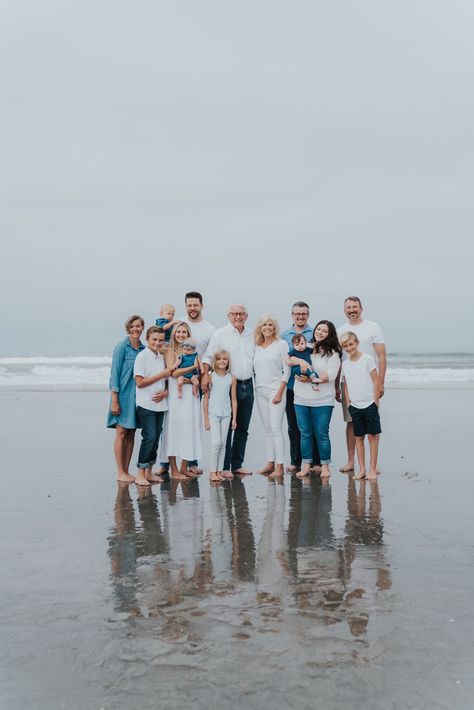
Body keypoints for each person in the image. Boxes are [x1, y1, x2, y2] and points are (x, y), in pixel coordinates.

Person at [156, 291, 216, 477]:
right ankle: (168, 466)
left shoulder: (209, 329)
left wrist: (203, 375)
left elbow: (208, 356)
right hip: (177, 390)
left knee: (190, 425)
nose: (192, 308)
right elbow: (170, 369)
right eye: (189, 305)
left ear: (201, 305)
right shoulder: (177, 326)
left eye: (195, 305)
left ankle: (187, 466)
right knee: (173, 426)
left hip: (193, 389)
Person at [203, 303, 255, 476]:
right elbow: (208, 356)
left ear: (246, 316)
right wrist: (205, 375)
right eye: (234, 314)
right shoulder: (220, 334)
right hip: (228, 386)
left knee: (242, 427)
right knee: (226, 427)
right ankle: (224, 468)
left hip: (249, 385)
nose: (237, 317)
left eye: (241, 314)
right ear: (228, 316)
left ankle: (237, 464)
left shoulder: (252, 335)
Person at [337, 297, 387, 473]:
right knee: (351, 422)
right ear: (344, 310)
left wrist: (381, 382)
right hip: (349, 384)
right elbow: (337, 359)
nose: (352, 310)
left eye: (354, 307)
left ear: (361, 308)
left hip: (369, 384)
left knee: (373, 425)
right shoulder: (340, 330)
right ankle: (352, 461)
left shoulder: (373, 327)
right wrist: (338, 386)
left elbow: (381, 355)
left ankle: (373, 464)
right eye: (348, 307)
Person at [292, 320, 341, 479]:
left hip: (323, 400)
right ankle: (306, 466)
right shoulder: (305, 346)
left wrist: (313, 379)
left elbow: (332, 375)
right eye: (318, 329)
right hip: (301, 398)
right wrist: (300, 361)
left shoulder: (332, 353)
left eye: (324, 331)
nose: (320, 332)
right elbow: (288, 358)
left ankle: (325, 466)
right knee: (305, 433)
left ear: (330, 334)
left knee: (321, 433)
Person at [281, 302, 321, 473]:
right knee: (293, 426)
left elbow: (320, 358)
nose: (300, 316)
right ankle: (296, 461)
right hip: (291, 387)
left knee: (313, 425)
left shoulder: (315, 334)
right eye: (297, 313)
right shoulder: (284, 335)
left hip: (310, 387)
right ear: (292, 315)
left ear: (308, 315)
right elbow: (283, 359)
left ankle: (316, 461)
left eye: (303, 314)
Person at [160, 322, 203, 480]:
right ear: (174, 334)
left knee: (189, 428)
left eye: (184, 332)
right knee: (174, 429)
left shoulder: (192, 351)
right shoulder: (170, 350)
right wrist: (192, 369)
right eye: (178, 332)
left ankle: (184, 467)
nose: (181, 334)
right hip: (176, 396)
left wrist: (194, 377)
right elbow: (174, 372)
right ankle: (174, 469)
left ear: (188, 334)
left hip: (190, 396)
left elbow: (199, 373)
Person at [107, 315, 145, 484]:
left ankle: (127, 471)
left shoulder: (144, 349)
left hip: (137, 396)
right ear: (128, 328)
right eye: (133, 326)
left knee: (131, 433)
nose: (136, 329)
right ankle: (120, 471)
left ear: (143, 328)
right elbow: (114, 374)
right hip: (122, 395)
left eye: (139, 326)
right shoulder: (122, 347)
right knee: (121, 432)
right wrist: (114, 398)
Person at [340, 332, 382, 480]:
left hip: (370, 404)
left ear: (356, 342)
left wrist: (376, 402)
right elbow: (346, 384)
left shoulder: (367, 359)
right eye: (345, 346)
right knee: (358, 438)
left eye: (351, 344)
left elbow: (376, 381)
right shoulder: (345, 364)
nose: (349, 348)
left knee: (372, 437)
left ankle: (372, 469)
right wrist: (349, 402)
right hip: (355, 406)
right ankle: (362, 470)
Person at [253, 316, 290, 478]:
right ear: (260, 328)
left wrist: (280, 392)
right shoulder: (256, 346)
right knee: (267, 429)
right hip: (259, 391)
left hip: (276, 391)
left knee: (276, 429)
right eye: (264, 325)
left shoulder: (281, 344)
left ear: (275, 328)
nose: (267, 327)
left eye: (270, 325)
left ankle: (280, 467)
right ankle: (270, 463)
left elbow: (287, 370)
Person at [133, 326, 170, 486]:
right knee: (149, 437)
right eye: (154, 339)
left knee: (156, 439)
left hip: (161, 404)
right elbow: (139, 382)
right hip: (146, 404)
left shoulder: (161, 357)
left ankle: (149, 472)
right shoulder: (142, 357)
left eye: (160, 340)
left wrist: (165, 393)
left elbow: (167, 381)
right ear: (147, 339)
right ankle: (140, 473)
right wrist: (162, 374)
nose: (157, 342)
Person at [203, 350, 237, 482]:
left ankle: (218, 471)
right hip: (213, 414)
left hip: (226, 414)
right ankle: (212, 471)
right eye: (219, 359)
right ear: (215, 361)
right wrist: (206, 418)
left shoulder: (231, 378)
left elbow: (233, 399)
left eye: (225, 359)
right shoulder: (210, 377)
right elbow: (206, 398)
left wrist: (234, 418)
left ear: (228, 361)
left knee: (223, 444)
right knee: (216, 442)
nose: (222, 361)